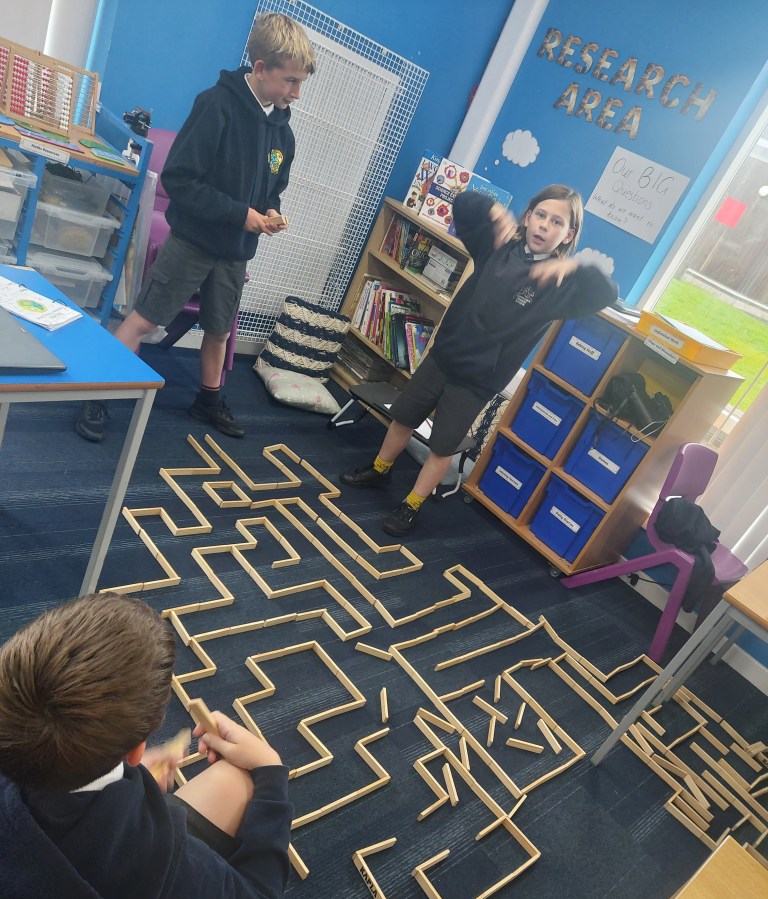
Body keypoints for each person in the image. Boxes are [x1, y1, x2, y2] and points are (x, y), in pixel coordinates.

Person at [0, 593, 292, 899]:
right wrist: (271, 772)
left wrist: (119, 781)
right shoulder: (166, 878)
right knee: (236, 783)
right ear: (137, 749)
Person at [75, 13, 316, 444]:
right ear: (261, 68)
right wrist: (240, 214)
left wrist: (269, 211)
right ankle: (97, 394)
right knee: (143, 320)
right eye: (291, 81)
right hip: (193, 242)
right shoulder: (216, 105)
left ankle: (208, 399)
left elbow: (273, 189)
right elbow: (180, 180)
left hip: (235, 250)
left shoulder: (284, 134)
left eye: (301, 83)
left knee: (220, 331)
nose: (296, 94)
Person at [340, 185, 619, 536]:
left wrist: (573, 268)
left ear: (568, 234)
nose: (545, 225)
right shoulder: (496, 246)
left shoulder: (560, 287)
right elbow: (462, 203)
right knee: (403, 417)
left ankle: (411, 505)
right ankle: (380, 470)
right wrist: (493, 211)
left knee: (442, 446)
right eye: (540, 215)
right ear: (528, 216)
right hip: (443, 357)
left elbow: (607, 292)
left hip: (476, 381)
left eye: (557, 222)